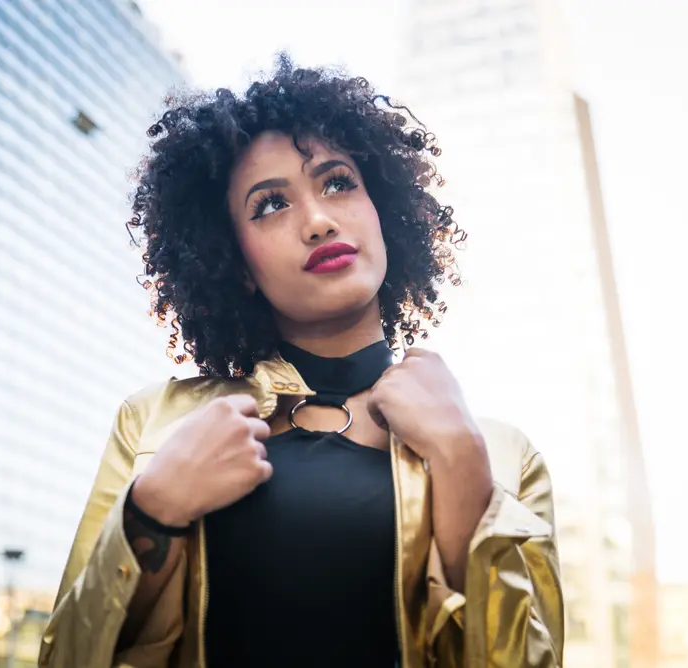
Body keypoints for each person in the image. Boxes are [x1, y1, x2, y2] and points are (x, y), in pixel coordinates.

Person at [38, 55, 563, 668]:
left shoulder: (502, 454)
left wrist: (460, 460)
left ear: (382, 212)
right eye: (270, 205)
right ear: (235, 264)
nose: (317, 220)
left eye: (338, 181)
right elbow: (69, 657)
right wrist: (152, 510)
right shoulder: (154, 423)